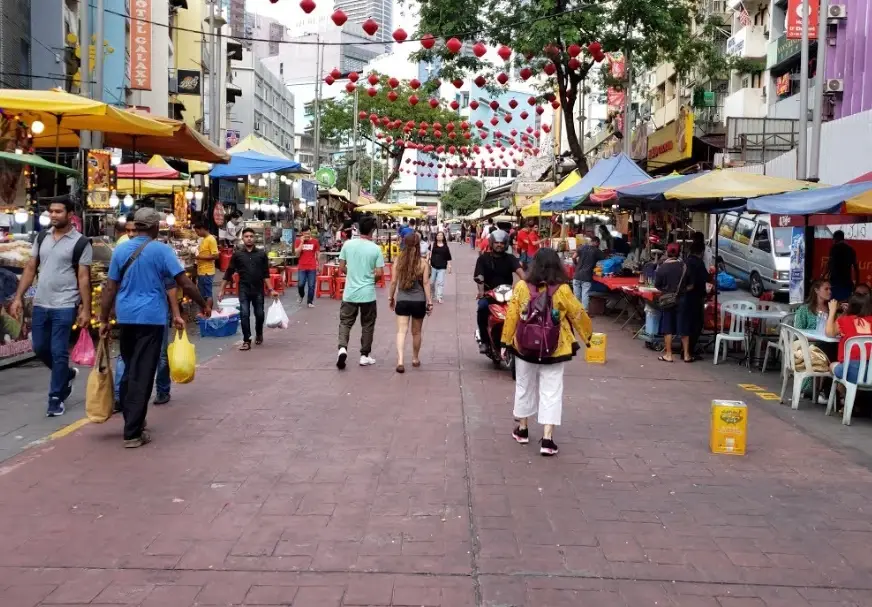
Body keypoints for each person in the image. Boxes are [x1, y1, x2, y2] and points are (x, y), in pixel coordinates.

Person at [99, 208, 209, 448]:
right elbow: (184, 283)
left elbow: (109, 288)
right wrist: (203, 304)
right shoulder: (161, 250)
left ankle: (133, 420)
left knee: (129, 368)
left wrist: (103, 319)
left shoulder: (120, 250)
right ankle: (133, 432)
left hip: (126, 317)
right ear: (154, 227)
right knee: (143, 373)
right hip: (151, 318)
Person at [501, 248, 593, 456]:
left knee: (524, 386)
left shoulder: (522, 287)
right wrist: (588, 337)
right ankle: (547, 439)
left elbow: (512, 315)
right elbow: (578, 313)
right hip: (555, 348)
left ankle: (523, 429)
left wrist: (505, 342)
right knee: (551, 391)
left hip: (524, 347)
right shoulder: (562, 290)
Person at [10, 200, 92, 417]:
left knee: (58, 351)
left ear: (70, 214)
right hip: (41, 302)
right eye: (51, 212)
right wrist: (18, 297)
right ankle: (65, 374)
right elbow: (30, 268)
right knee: (39, 347)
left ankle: (55, 398)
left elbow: (84, 278)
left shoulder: (81, 242)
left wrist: (85, 308)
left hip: (65, 304)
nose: (53, 215)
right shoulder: (42, 237)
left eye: (58, 211)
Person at [337, 216, 384, 369]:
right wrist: (370, 281)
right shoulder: (376, 249)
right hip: (368, 294)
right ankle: (364, 355)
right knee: (368, 324)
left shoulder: (347, 245)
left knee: (345, 322)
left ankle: (342, 348)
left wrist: (352, 274)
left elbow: (341, 267)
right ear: (372, 231)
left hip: (350, 293)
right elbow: (379, 273)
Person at [219, 227, 276, 350]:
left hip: (258, 289)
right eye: (246, 236)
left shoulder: (261, 254)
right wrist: (222, 290)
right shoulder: (237, 255)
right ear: (243, 239)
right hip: (244, 289)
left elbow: (266, 274)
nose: (249, 239)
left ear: (254, 238)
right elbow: (228, 273)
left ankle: (259, 333)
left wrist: (271, 289)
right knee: (244, 314)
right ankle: (247, 340)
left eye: (251, 236)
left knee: (259, 314)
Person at [474, 229, 525, 354]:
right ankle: (485, 341)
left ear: (506, 244)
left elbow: (521, 272)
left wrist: (528, 283)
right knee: (482, 307)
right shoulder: (483, 258)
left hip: (508, 295)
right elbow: (480, 276)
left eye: (502, 243)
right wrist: (481, 291)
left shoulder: (510, 258)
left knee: (523, 311)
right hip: (489, 295)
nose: (499, 245)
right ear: (491, 243)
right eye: (496, 242)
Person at [389, 233, 433, 373]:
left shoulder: (398, 261)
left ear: (404, 244)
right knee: (417, 332)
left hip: (402, 300)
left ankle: (400, 361)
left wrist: (391, 298)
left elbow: (394, 282)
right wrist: (430, 302)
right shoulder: (423, 263)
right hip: (419, 300)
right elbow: (426, 283)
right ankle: (414, 358)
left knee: (401, 331)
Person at [826, 292, 872, 386]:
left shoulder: (845, 320)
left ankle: (844, 397)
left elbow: (829, 332)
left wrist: (832, 311)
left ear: (851, 306)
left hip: (852, 371)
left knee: (832, 365)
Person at [654, 243, 688, 363]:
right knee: (683, 326)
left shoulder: (662, 268)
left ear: (667, 253)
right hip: (682, 299)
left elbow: (657, 285)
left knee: (667, 327)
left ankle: (668, 354)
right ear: (679, 253)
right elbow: (689, 284)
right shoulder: (684, 266)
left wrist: (666, 289)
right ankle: (687, 355)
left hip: (668, 299)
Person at [681, 239, 710, 360]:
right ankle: (689, 351)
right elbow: (706, 279)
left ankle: (685, 350)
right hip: (695, 297)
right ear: (702, 252)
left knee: (686, 324)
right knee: (696, 325)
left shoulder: (685, 261)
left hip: (684, 297)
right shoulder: (699, 263)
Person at [827, 230, 859, 301]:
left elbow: (830, 264)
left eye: (833, 239)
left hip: (836, 281)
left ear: (836, 238)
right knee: (845, 304)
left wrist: (824, 277)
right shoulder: (851, 249)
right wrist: (857, 283)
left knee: (833, 303)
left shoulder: (834, 248)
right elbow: (856, 268)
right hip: (846, 282)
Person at [572, 236, 602, 309]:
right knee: (585, 294)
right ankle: (584, 313)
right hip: (587, 276)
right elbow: (605, 259)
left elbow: (573, 257)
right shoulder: (596, 251)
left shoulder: (582, 247)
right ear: (596, 242)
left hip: (577, 275)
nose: (598, 245)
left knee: (576, 295)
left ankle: (576, 312)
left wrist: (576, 264)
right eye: (598, 243)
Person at [193, 221, 219, 308]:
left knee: (207, 294)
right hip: (202, 271)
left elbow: (215, 256)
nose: (197, 234)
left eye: (197, 231)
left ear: (202, 229)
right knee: (203, 294)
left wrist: (199, 257)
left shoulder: (211, 239)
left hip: (207, 272)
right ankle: (205, 311)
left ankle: (208, 313)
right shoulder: (205, 239)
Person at [294, 224, 319, 308]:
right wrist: (302, 242)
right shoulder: (298, 241)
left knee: (311, 285)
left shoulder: (315, 241)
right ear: (302, 233)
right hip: (302, 267)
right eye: (305, 234)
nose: (307, 235)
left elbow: (317, 253)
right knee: (301, 284)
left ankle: (310, 301)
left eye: (309, 233)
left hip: (312, 266)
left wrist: (318, 264)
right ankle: (301, 295)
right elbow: (297, 254)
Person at [429, 230, 452, 303]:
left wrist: (449, 265)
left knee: (440, 282)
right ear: (436, 236)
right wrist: (429, 262)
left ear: (443, 237)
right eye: (438, 235)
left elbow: (448, 257)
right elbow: (429, 254)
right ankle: (432, 294)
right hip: (433, 266)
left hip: (442, 267)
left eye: (441, 235)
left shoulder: (445, 247)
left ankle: (439, 297)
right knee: (431, 282)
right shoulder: (433, 245)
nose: (439, 236)